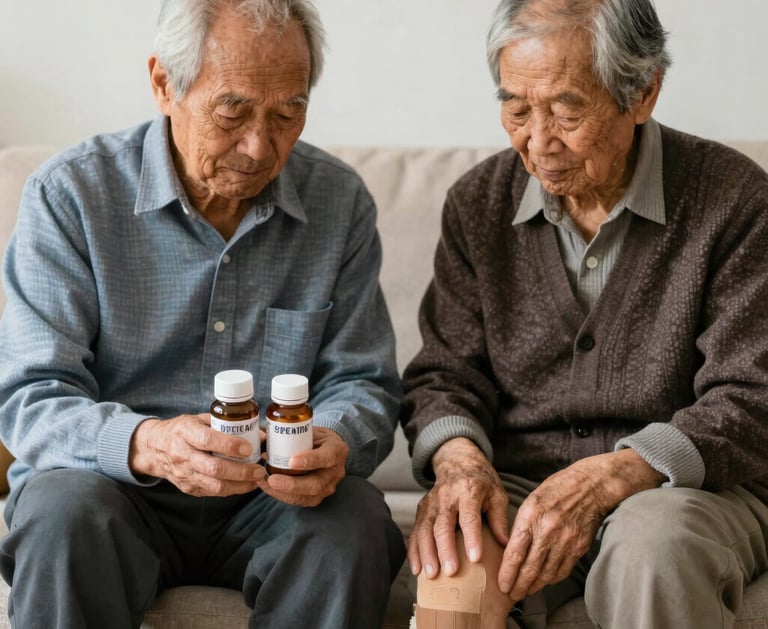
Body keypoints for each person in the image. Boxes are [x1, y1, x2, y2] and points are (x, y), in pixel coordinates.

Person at [0, 1, 406, 628]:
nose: (259, 145)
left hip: (270, 502)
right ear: (165, 83)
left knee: (352, 522)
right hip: (114, 490)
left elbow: (362, 381)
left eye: (287, 112)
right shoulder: (70, 195)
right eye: (233, 109)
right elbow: (30, 395)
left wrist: (337, 439)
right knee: (63, 512)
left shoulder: (340, 200)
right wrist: (148, 443)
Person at [401, 1, 768, 628]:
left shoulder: (734, 200)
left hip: (688, 493)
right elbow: (443, 374)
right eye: (516, 107)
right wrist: (459, 462)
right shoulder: (477, 204)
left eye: (567, 109)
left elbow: (751, 395)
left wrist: (619, 473)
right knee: (454, 569)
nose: (538, 141)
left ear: (643, 92)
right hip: (525, 487)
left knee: (653, 550)